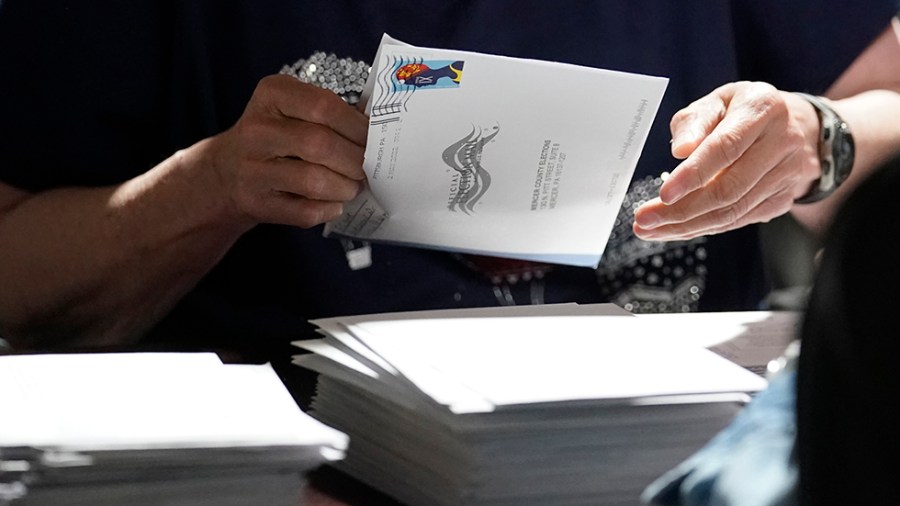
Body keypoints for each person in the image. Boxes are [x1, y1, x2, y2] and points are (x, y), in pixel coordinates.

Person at [0, 1, 899, 362]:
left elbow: (881, 107)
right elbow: (19, 283)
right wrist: (210, 188)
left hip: (657, 450)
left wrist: (819, 141)